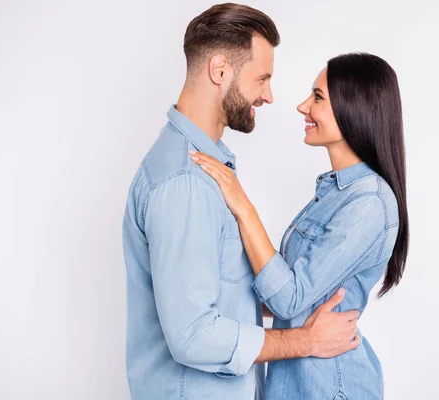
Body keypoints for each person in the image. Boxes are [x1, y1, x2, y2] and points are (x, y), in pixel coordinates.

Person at [122, 4, 361, 400]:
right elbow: (194, 335)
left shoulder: (207, 166)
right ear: (220, 71)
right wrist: (306, 341)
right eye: (262, 78)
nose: (268, 95)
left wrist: (295, 305)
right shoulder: (186, 182)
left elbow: (212, 291)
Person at [190, 52, 410, 400]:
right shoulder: (334, 192)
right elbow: (281, 293)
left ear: (355, 107)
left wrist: (242, 207)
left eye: (318, 97)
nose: (302, 106)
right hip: (293, 382)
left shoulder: (368, 203)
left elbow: (288, 299)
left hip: (328, 387)